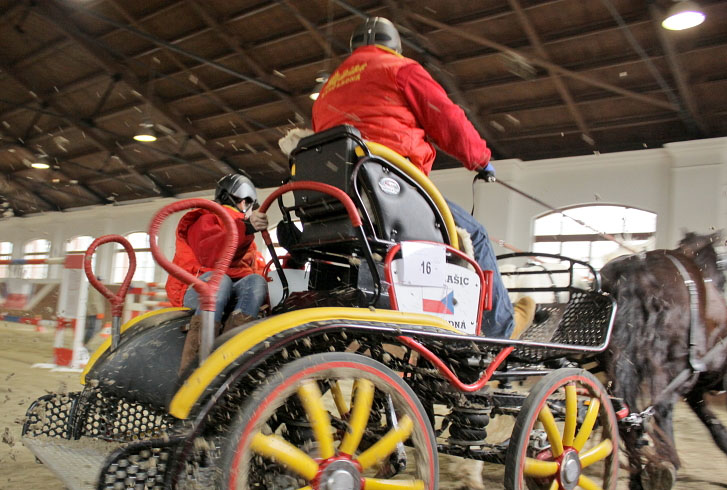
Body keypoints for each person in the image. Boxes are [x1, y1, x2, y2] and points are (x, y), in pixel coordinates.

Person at [311, 16, 526, 339]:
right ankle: (500, 331)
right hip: (387, 191)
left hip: (337, 201)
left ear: (354, 48)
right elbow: (447, 119)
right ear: (394, 46)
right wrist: (481, 160)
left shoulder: (329, 88)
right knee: (476, 235)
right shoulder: (400, 69)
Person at [165, 173, 269, 375]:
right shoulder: (206, 219)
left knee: (256, 281)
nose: (244, 205)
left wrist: (294, 261)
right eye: (241, 200)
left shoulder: (246, 234)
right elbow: (213, 257)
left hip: (229, 290)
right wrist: (246, 227)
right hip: (199, 288)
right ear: (226, 197)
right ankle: (193, 369)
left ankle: (229, 356)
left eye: (248, 202)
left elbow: (256, 270)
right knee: (220, 281)